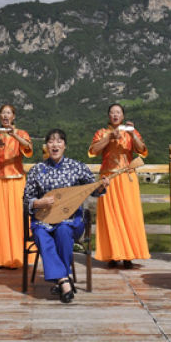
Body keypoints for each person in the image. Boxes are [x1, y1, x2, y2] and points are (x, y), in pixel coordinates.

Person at [24, 129, 109, 303]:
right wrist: (38, 203)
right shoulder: (37, 170)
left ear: (65, 145)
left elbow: (92, 190)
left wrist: (101, 187)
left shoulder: (77, 167)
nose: (55, 145)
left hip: (70, 220)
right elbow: (26, 200)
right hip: (43, 221)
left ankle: (60, 278)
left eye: (59, 141)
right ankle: (64, 279)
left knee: (63, 230)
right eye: (51, 141)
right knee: (41, 233)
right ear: (46, 146)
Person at [88, 103, 150, 268]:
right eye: (112, 112)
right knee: (110, 215)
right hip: (108, 177)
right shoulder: (102, 132)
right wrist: (109, 138)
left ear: (123, 116)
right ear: (108, 115)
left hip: (127, 177)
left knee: (129, 214)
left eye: (118, 112)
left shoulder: (130, 132)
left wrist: (133, 134)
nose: (115, 115)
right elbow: (93, 151)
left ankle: (128, 255)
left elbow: (142, 149)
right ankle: (113, 254)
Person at [0, 103, 33, 269]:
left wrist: (14, 135)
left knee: (18, 217)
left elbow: (29, 148)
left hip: (17, 180)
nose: (5, 116)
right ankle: (0, 257)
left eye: (8, 113)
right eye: (3, 113)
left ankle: (19, 256)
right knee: (0, 218)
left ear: (13, 117)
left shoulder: (22, 133)